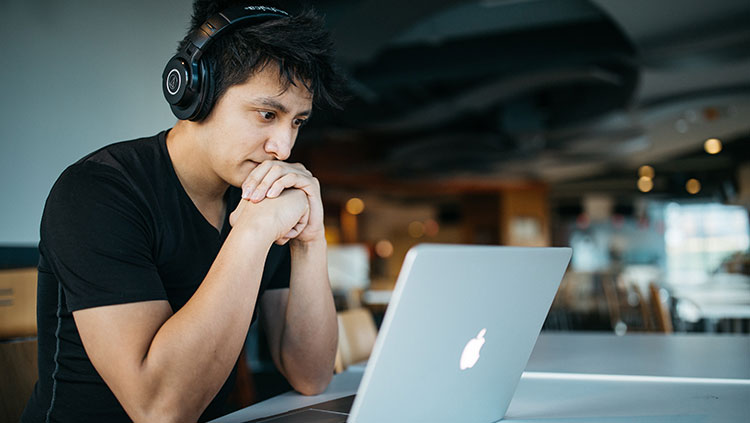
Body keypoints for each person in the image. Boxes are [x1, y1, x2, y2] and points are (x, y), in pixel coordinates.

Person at [22, 1, 346, 422]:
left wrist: (309, 240)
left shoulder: (261, 194)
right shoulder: (97, 192)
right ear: (196, 92)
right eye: (267, 114)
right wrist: (250, 233)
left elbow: (312, 375)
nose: (282, 148)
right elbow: (159, 409)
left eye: (297, 122)